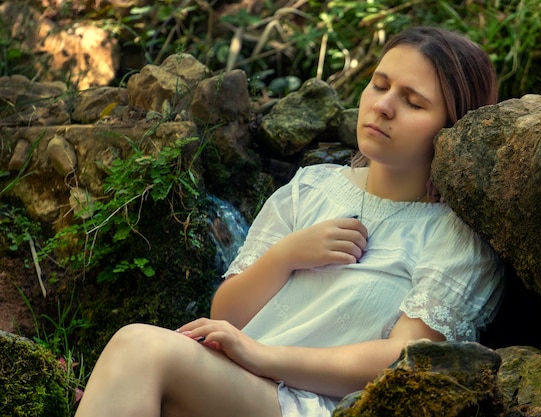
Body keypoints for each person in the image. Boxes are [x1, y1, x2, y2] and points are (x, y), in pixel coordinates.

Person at [74, 26, 505, 417]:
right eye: (379, 85)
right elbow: (227, 316)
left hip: (323, 405)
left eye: (413, 102)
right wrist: (287, 255)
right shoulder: (310, 189)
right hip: (238, 387)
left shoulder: (455, 232)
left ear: (454, 128)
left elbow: (407, 358)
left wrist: (263, 355)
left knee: (139, 347)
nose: (384, 106)